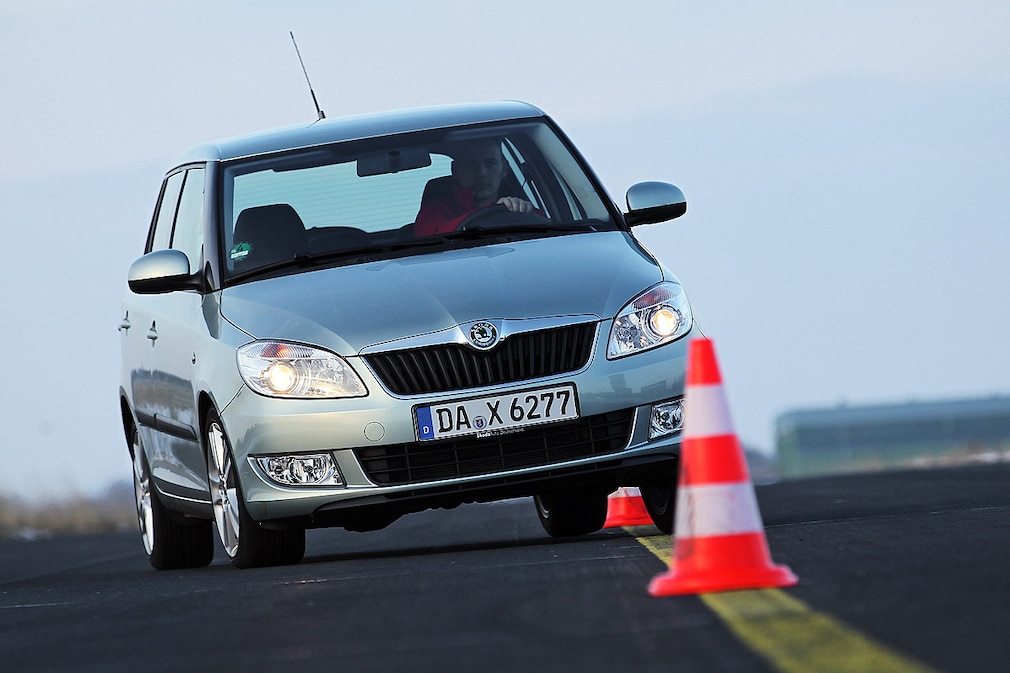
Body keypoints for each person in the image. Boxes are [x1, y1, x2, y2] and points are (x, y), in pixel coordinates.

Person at [414, 139, 534, 237]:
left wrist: (522, 211)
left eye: (490, 163)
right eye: (471, 164)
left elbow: (548, 226)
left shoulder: (517, 209)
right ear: (455, 170)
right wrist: (496, 209)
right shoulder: (434, 212)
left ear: (505, 169)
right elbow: (434, 241)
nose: (482, 172)